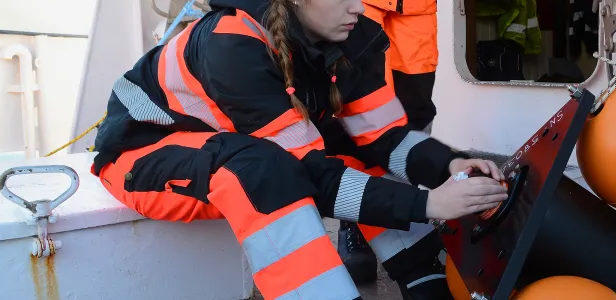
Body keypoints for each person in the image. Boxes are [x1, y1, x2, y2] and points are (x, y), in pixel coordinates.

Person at [89, 0, 509, 299]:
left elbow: (383, 138)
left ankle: (426, 281)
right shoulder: (231, 43)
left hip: (236, 149)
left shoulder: (351, 36)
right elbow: (307, 174)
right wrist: (428, 204)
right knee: (260, 170)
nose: (360, 8)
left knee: (347, 150)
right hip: (140, 156)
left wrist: (447, 164)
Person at [337, 0, 442, 284]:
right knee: (362, 108)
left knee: (416, 110)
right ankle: (354, 220)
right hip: (364, 4)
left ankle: (409, 211)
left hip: (417, 10)